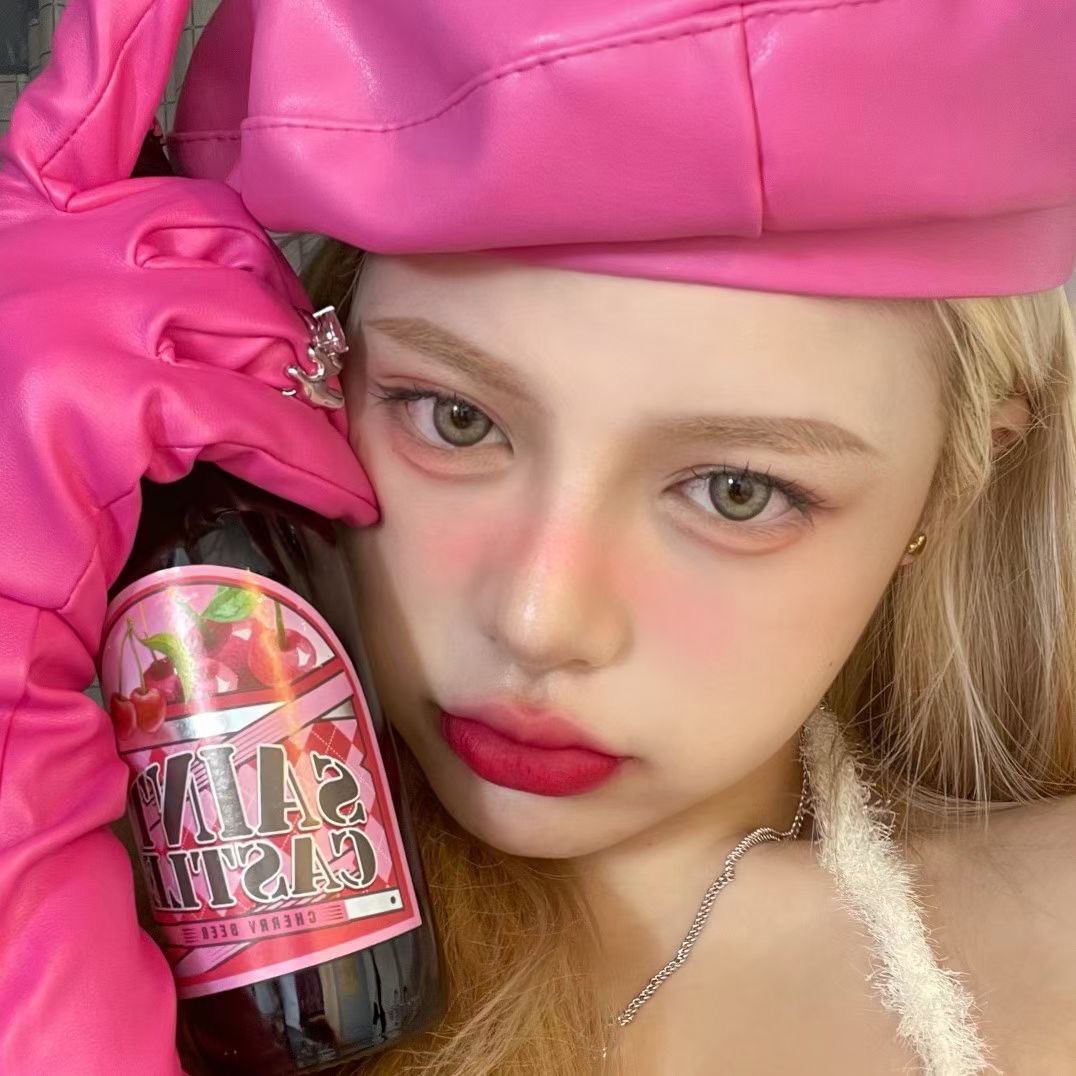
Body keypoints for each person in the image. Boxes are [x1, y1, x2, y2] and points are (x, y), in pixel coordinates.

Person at [2, 1, 1074, 1075]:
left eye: (737, 491)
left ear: (950, 486)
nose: (535, 620)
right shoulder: (72, 880)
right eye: (453, 418)